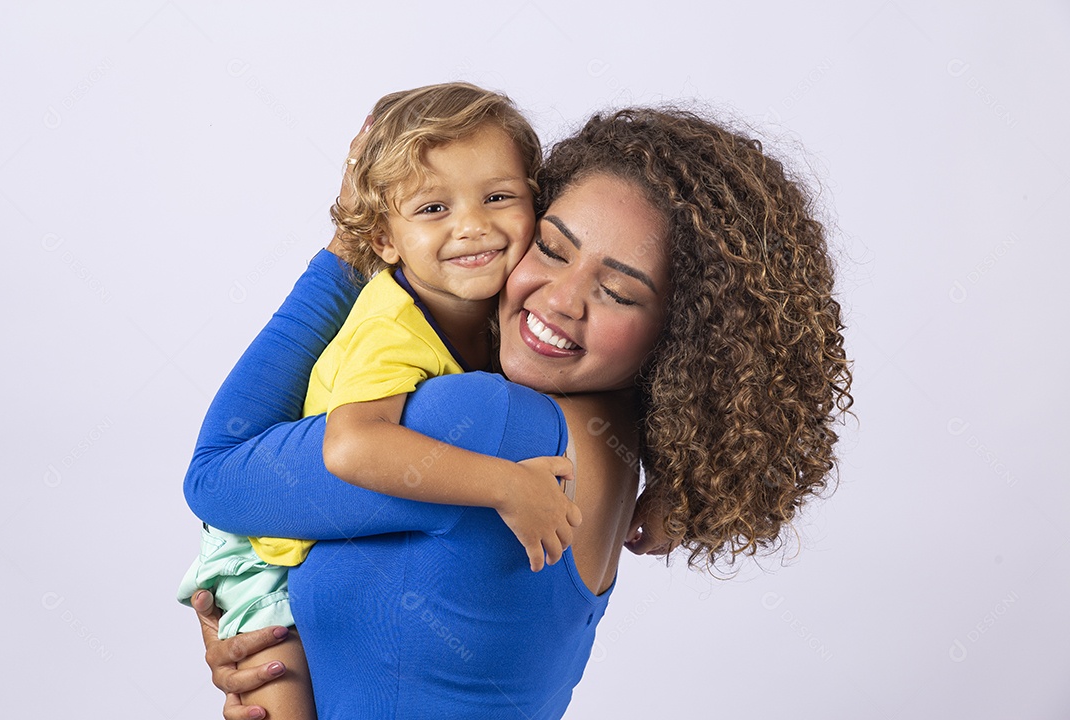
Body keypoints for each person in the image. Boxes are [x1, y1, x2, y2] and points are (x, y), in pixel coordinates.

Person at [184, 106, 853, 720]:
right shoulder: (618, 452)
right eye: (554, 248)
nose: (560, 300)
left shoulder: (489, 425)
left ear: (681, 336)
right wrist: (273, 637)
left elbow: (217, 474)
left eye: (618, 291)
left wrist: (348, 249)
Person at [177, 82, 580, 720]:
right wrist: (506, 484)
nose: (472, 224)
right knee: (276, 693)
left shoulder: (502, 318)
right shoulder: (392, 325)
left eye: (498, 197)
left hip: (317, 526)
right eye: (431, 209)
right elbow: (351, 445)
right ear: (384, 242)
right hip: (259, 549)